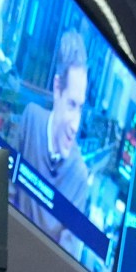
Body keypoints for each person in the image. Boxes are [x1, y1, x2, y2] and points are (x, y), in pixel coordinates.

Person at [10, 29, 99, 211]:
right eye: (71, 105)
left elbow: (68, 241)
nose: (76, 126)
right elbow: (5, 188)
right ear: (57, 89)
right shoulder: (31, 119)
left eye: (80, 108)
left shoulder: (79, 176)